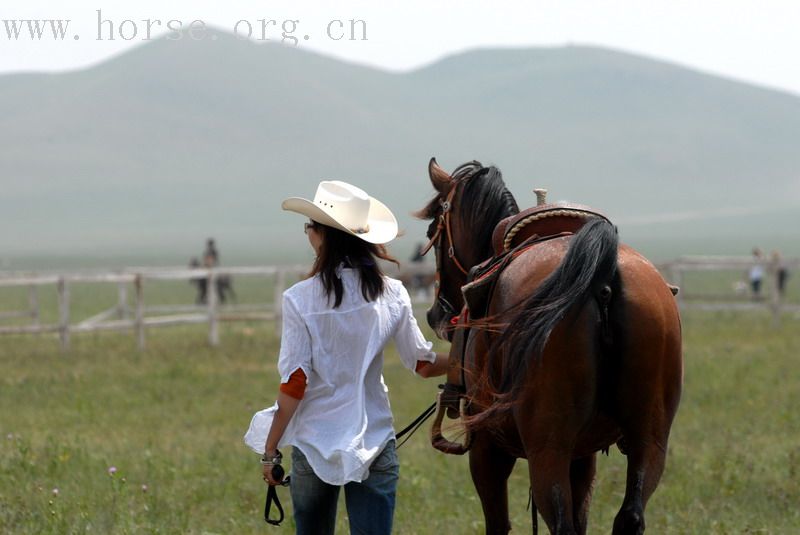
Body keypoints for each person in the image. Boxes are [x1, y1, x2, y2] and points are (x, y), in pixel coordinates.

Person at [260, 180, 448, 535]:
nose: (308, 234)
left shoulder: (300, 298)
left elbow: (295, 382)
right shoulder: (392, 293)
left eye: (310, 227)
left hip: (314, 444)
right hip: (373, 441)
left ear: (322, 235)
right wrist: (471, 360)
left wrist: (271, 451)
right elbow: (423, 364)